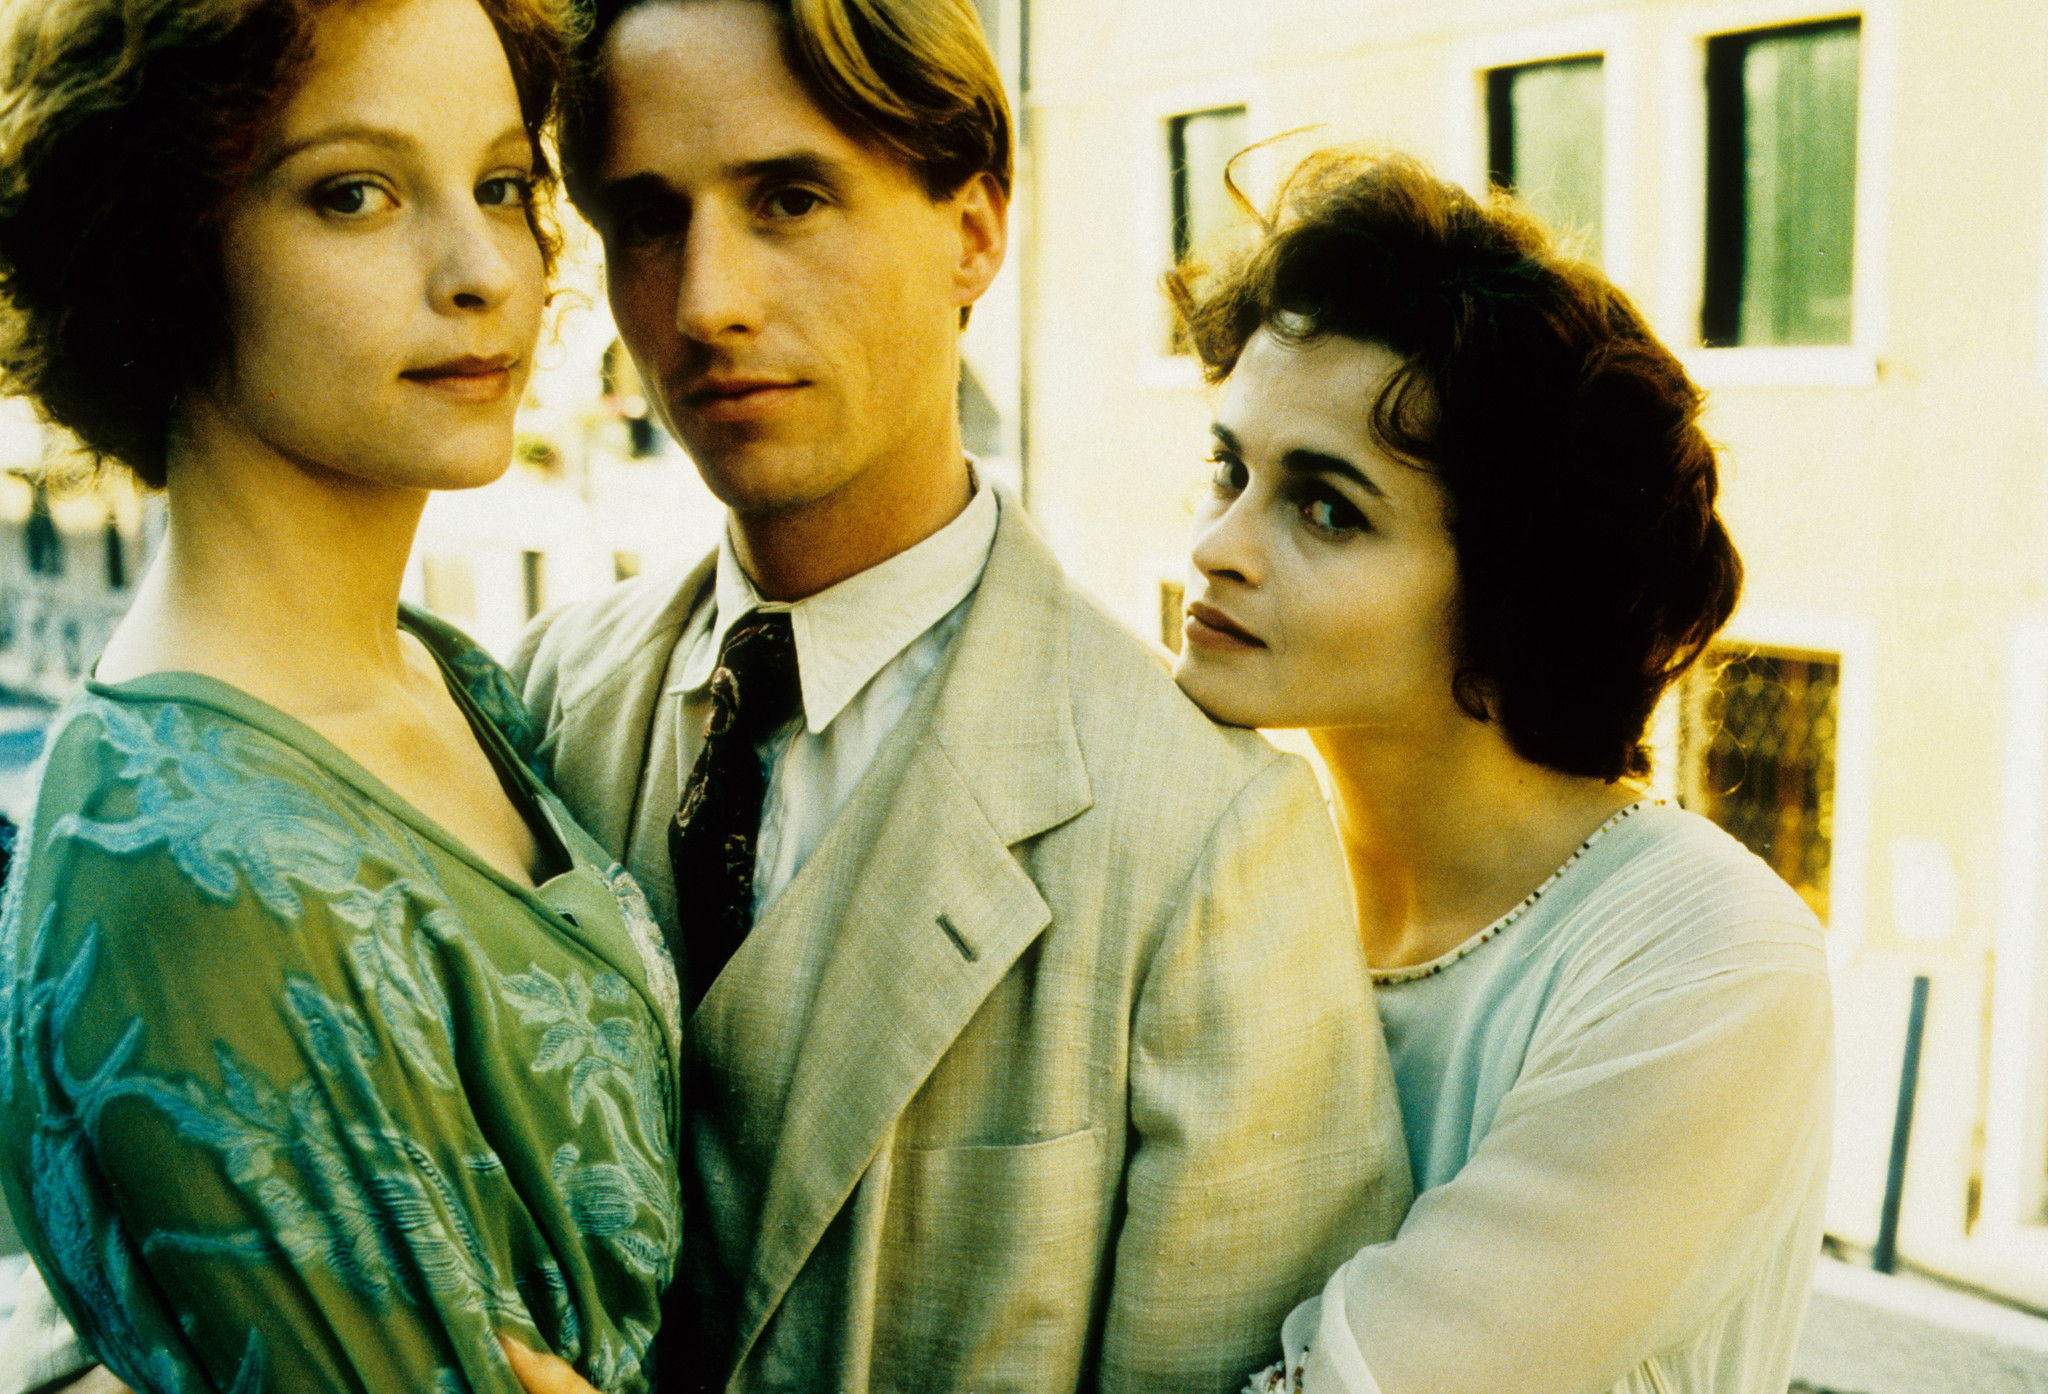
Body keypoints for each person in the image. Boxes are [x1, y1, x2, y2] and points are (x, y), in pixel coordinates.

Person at [504, 1, 1413, 1389]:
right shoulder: (548, 694)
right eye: (644, 218)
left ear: (975, 227)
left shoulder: (1205, 837)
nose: (705, 302)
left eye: (791, 198)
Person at [0, 0, 681, 1389]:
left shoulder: (449, 673)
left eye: (502, 185)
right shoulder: (181, 853)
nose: (485, 266)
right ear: (165, 246)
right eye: (354, 194)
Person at [1167, 149, 1834, 1394]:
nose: (1215, 547)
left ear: (1512, 589)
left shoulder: (1703, 962)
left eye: (1325, 509)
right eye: (1229, 471)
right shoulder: (1232, 874)